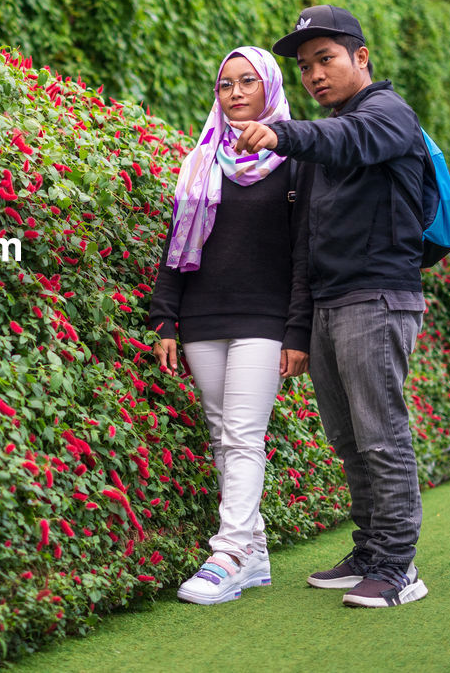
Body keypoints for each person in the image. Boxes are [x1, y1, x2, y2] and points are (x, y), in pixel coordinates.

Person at [227, 5, 430, 608]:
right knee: (348, 438)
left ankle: (398, 565)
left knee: (381, 435)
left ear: (360, 58)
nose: (315, 74)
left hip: (378, 297)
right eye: (307, 65)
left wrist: (284, 133)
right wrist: (299, 324)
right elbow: (305, 244)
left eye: (327, 59)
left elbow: (349, 139)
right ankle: (371, 548)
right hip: (329, 306)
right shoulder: (326, 141)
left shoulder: (387, 115)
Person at [148, 46, 312, 606]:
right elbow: (176, 249)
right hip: (201, 318)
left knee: (243, 436)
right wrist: (165, 318)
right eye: (225, 85)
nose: (236, 92)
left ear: (270, 87)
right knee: (224, 438)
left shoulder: (295, 158)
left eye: (248, 82)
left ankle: (229, 554)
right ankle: (255, 549)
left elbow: (303, 257)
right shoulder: (198, 161)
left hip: (264, 321)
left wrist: (297, 330)